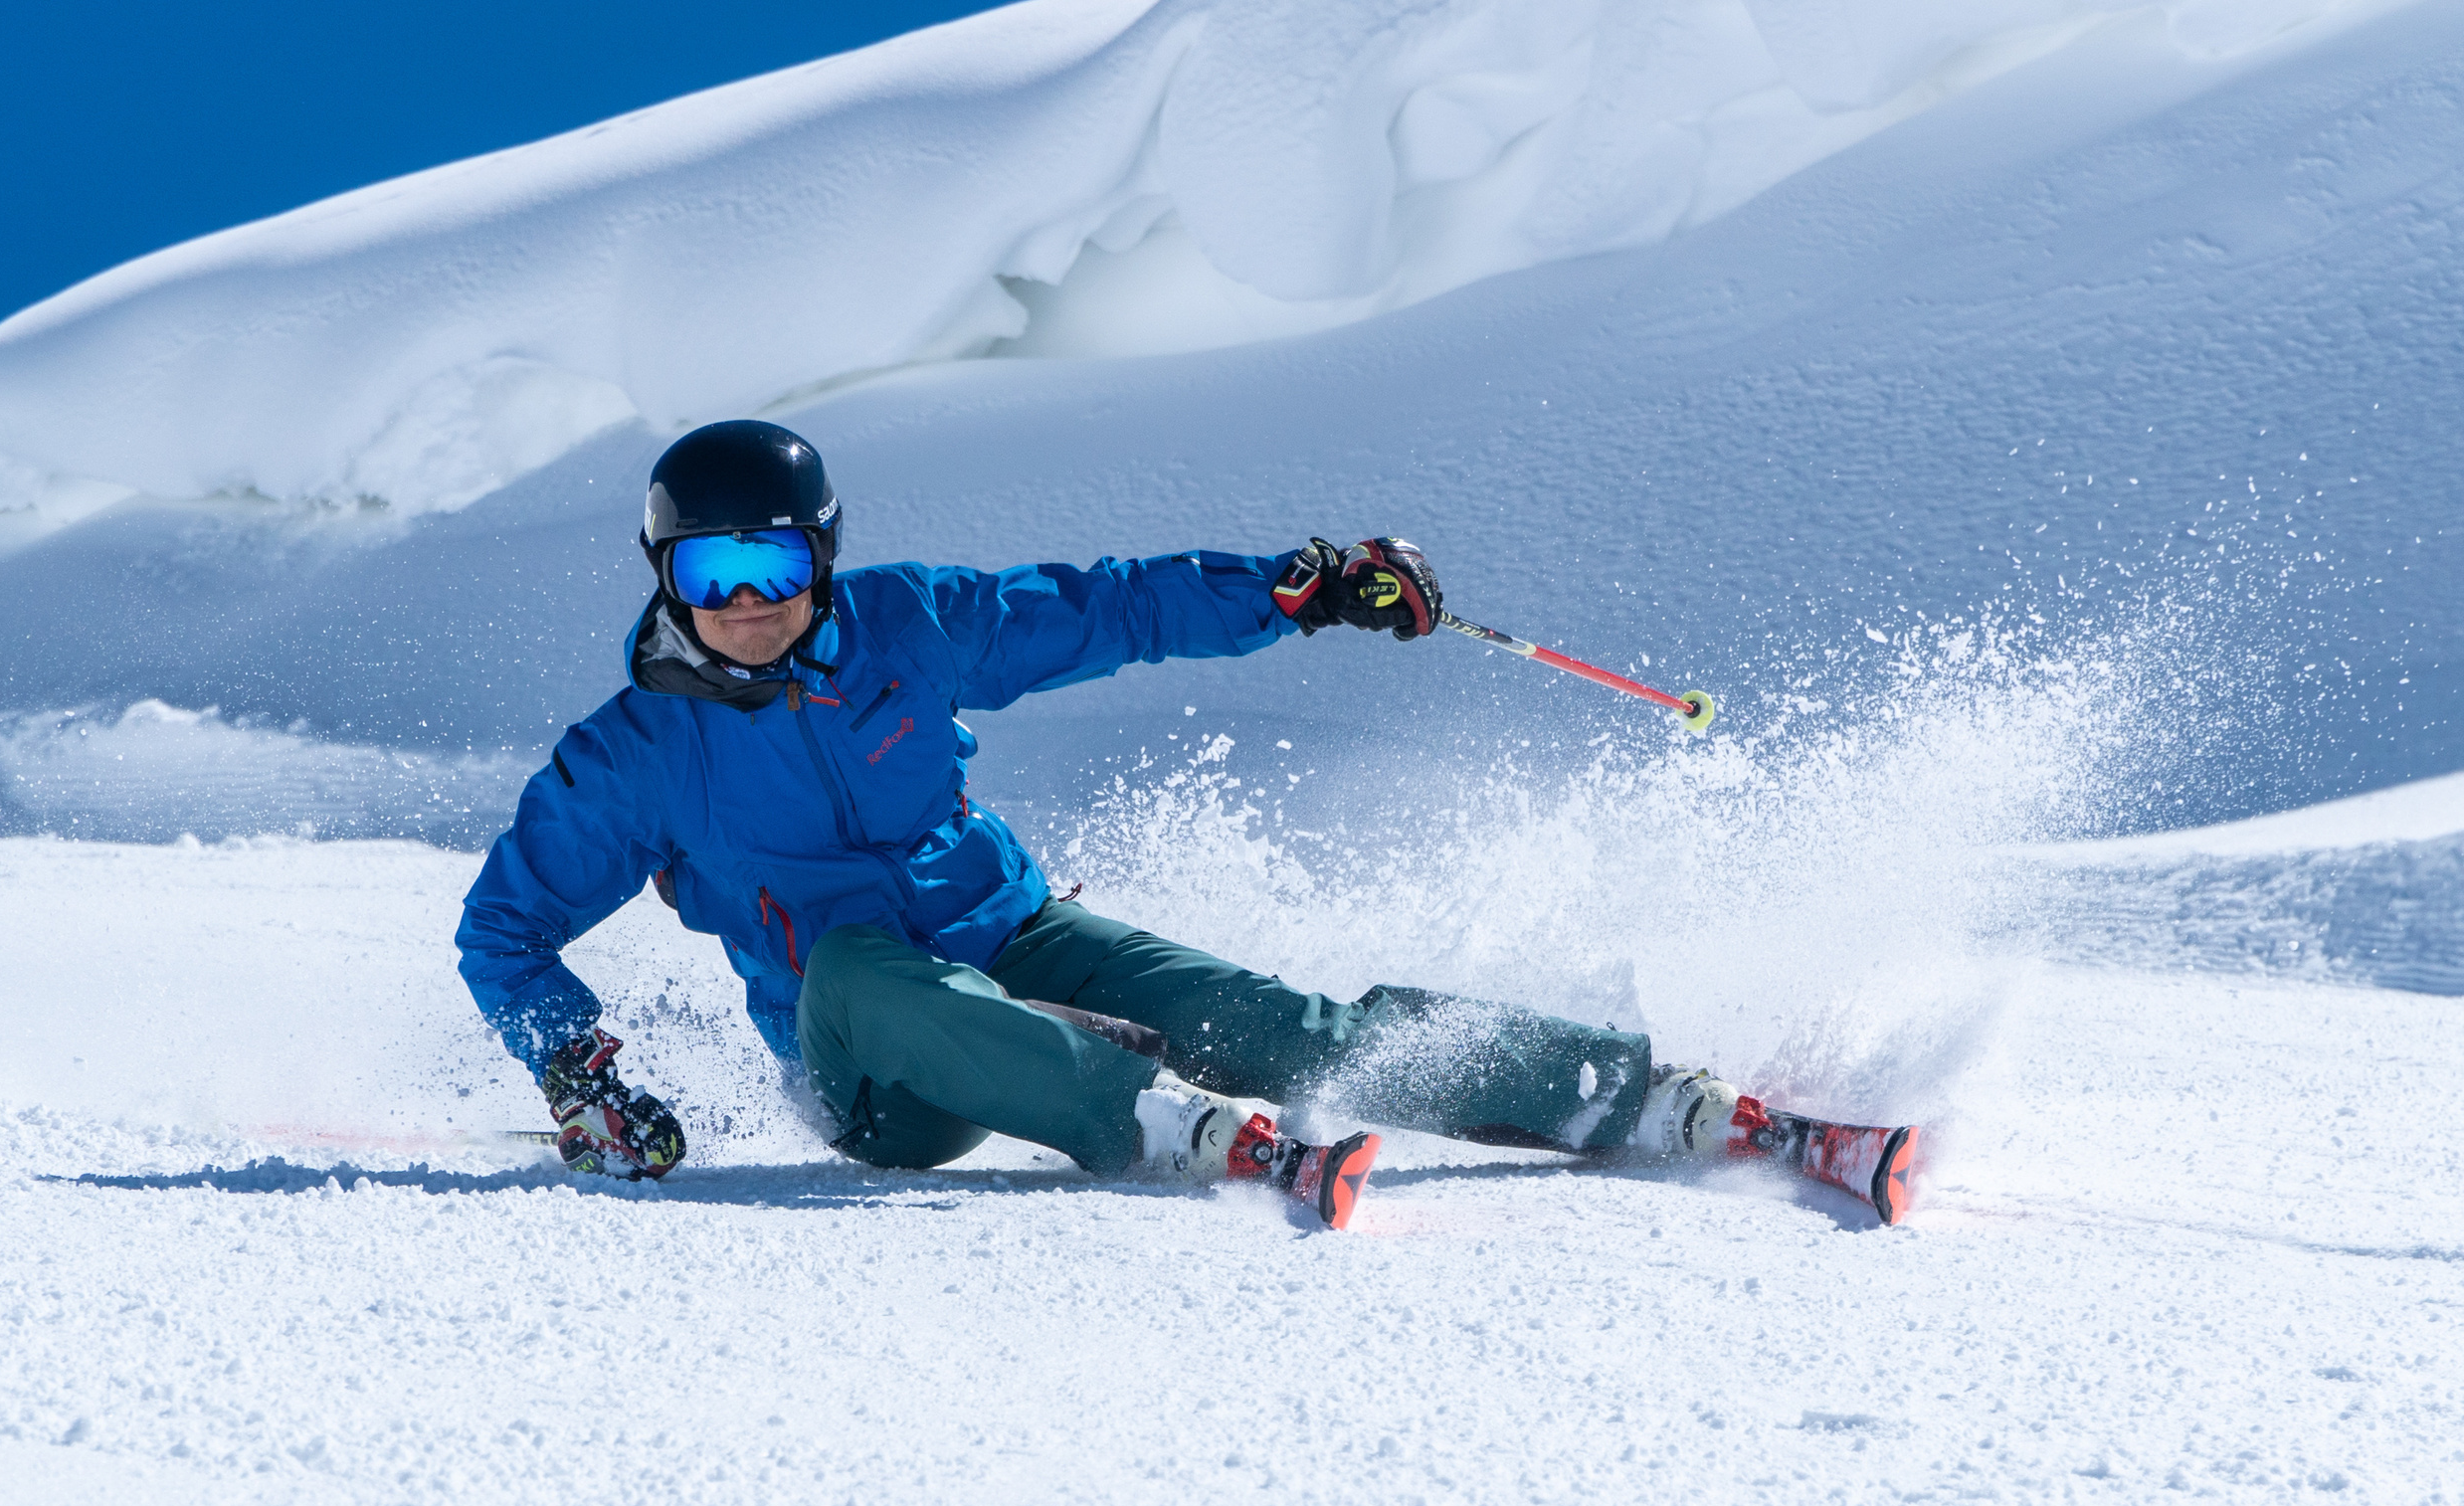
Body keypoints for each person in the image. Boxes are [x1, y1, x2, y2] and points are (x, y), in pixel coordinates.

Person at [456, 422, 1917, 1228]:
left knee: (1274, 1020)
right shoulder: (635, 754)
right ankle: (1157, 1124)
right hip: (876, 1072)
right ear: (664, 574)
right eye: (708, 570)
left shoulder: (909, 628)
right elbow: (503, 933)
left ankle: (1648, 1098)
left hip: (1013, 936)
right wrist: (578, 1070)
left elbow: (1108, 609)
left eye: (772, 565)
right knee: (852, 964)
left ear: (822, 561)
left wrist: (1298, 589)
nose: (744, 602)